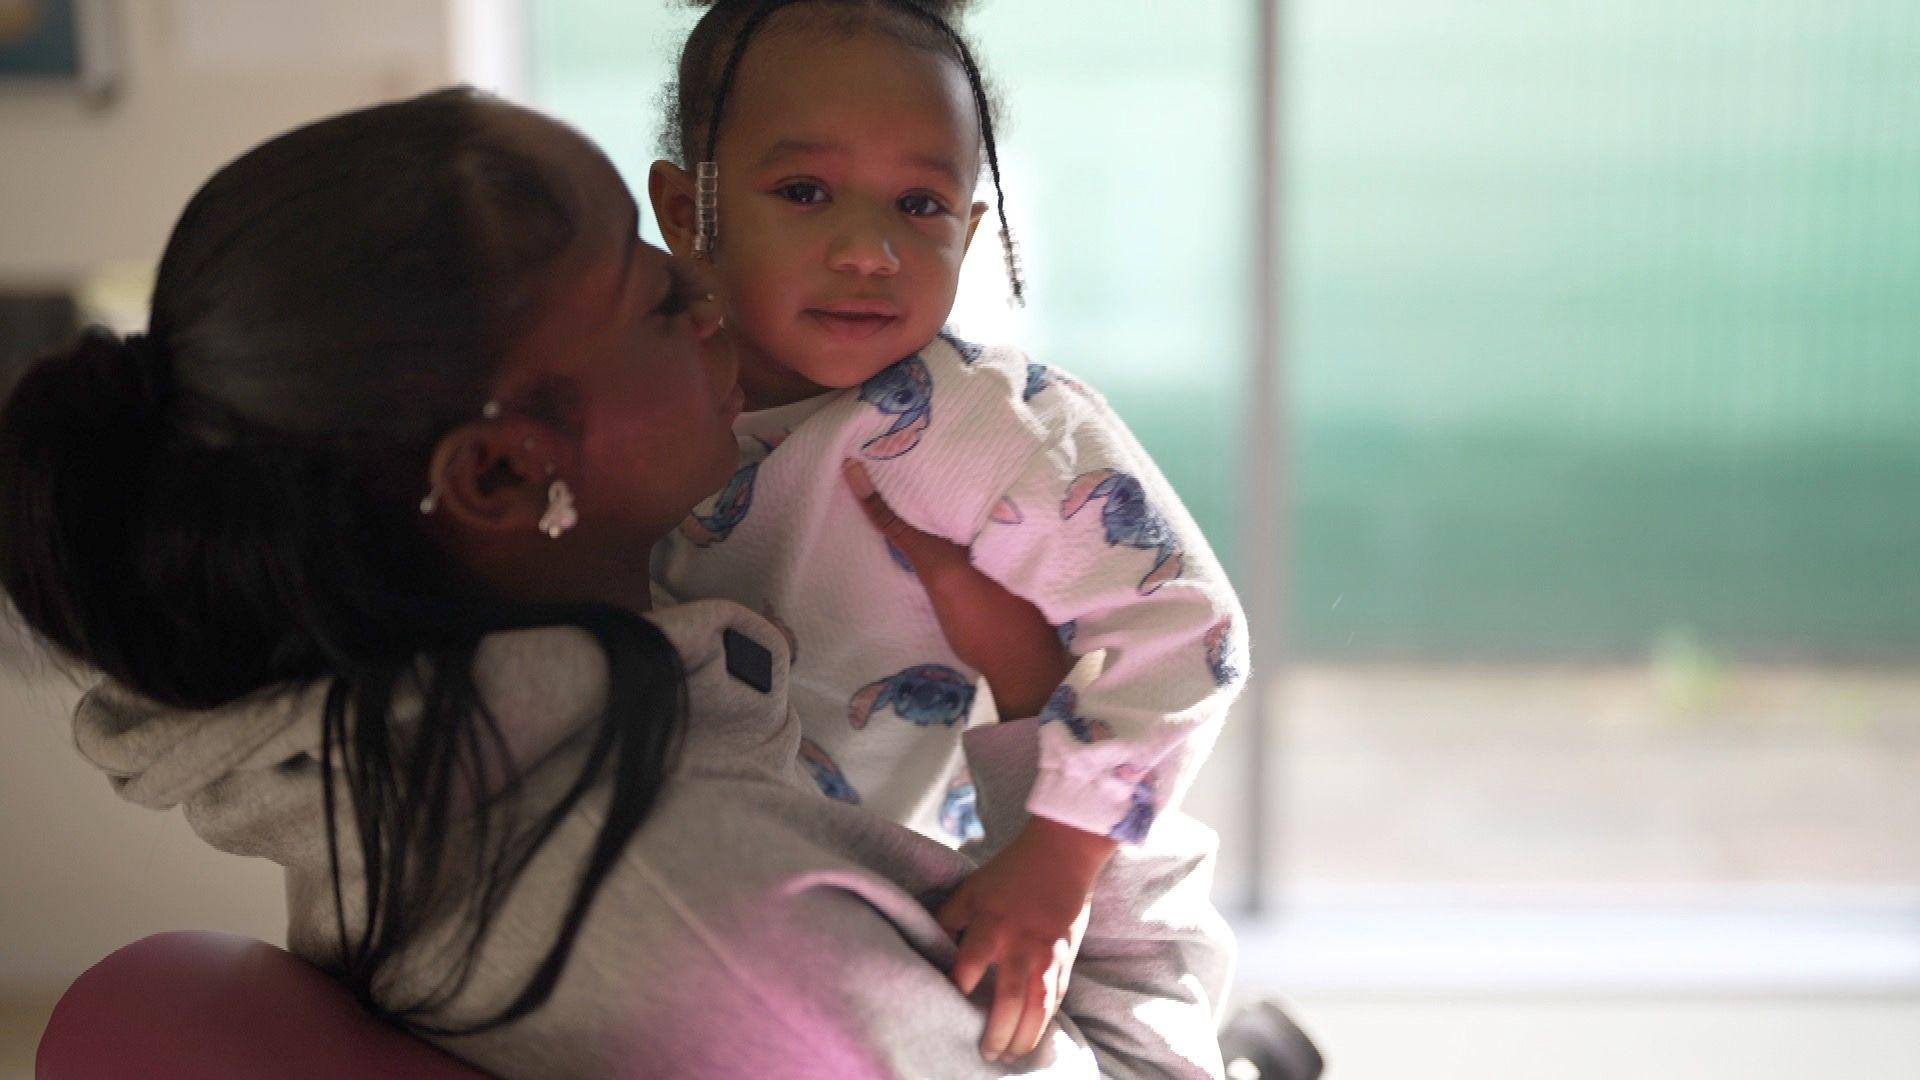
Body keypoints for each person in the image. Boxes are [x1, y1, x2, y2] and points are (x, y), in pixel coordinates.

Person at [0, 89, 1237, 1077]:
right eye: (658, 299)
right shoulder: (721, 930)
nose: (717, 297)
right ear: (498, 472)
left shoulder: (396, 772)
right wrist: (1030, 695)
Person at [647, 0, 1249, 1057]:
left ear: (970, 231)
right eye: (805, 191)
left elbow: (1186, 631)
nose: (870, 250)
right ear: (685, 212)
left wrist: (1057, 868)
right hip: (722, 885)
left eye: (920, 204)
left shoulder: (977, 426)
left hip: (950, 899)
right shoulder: (632, 398)